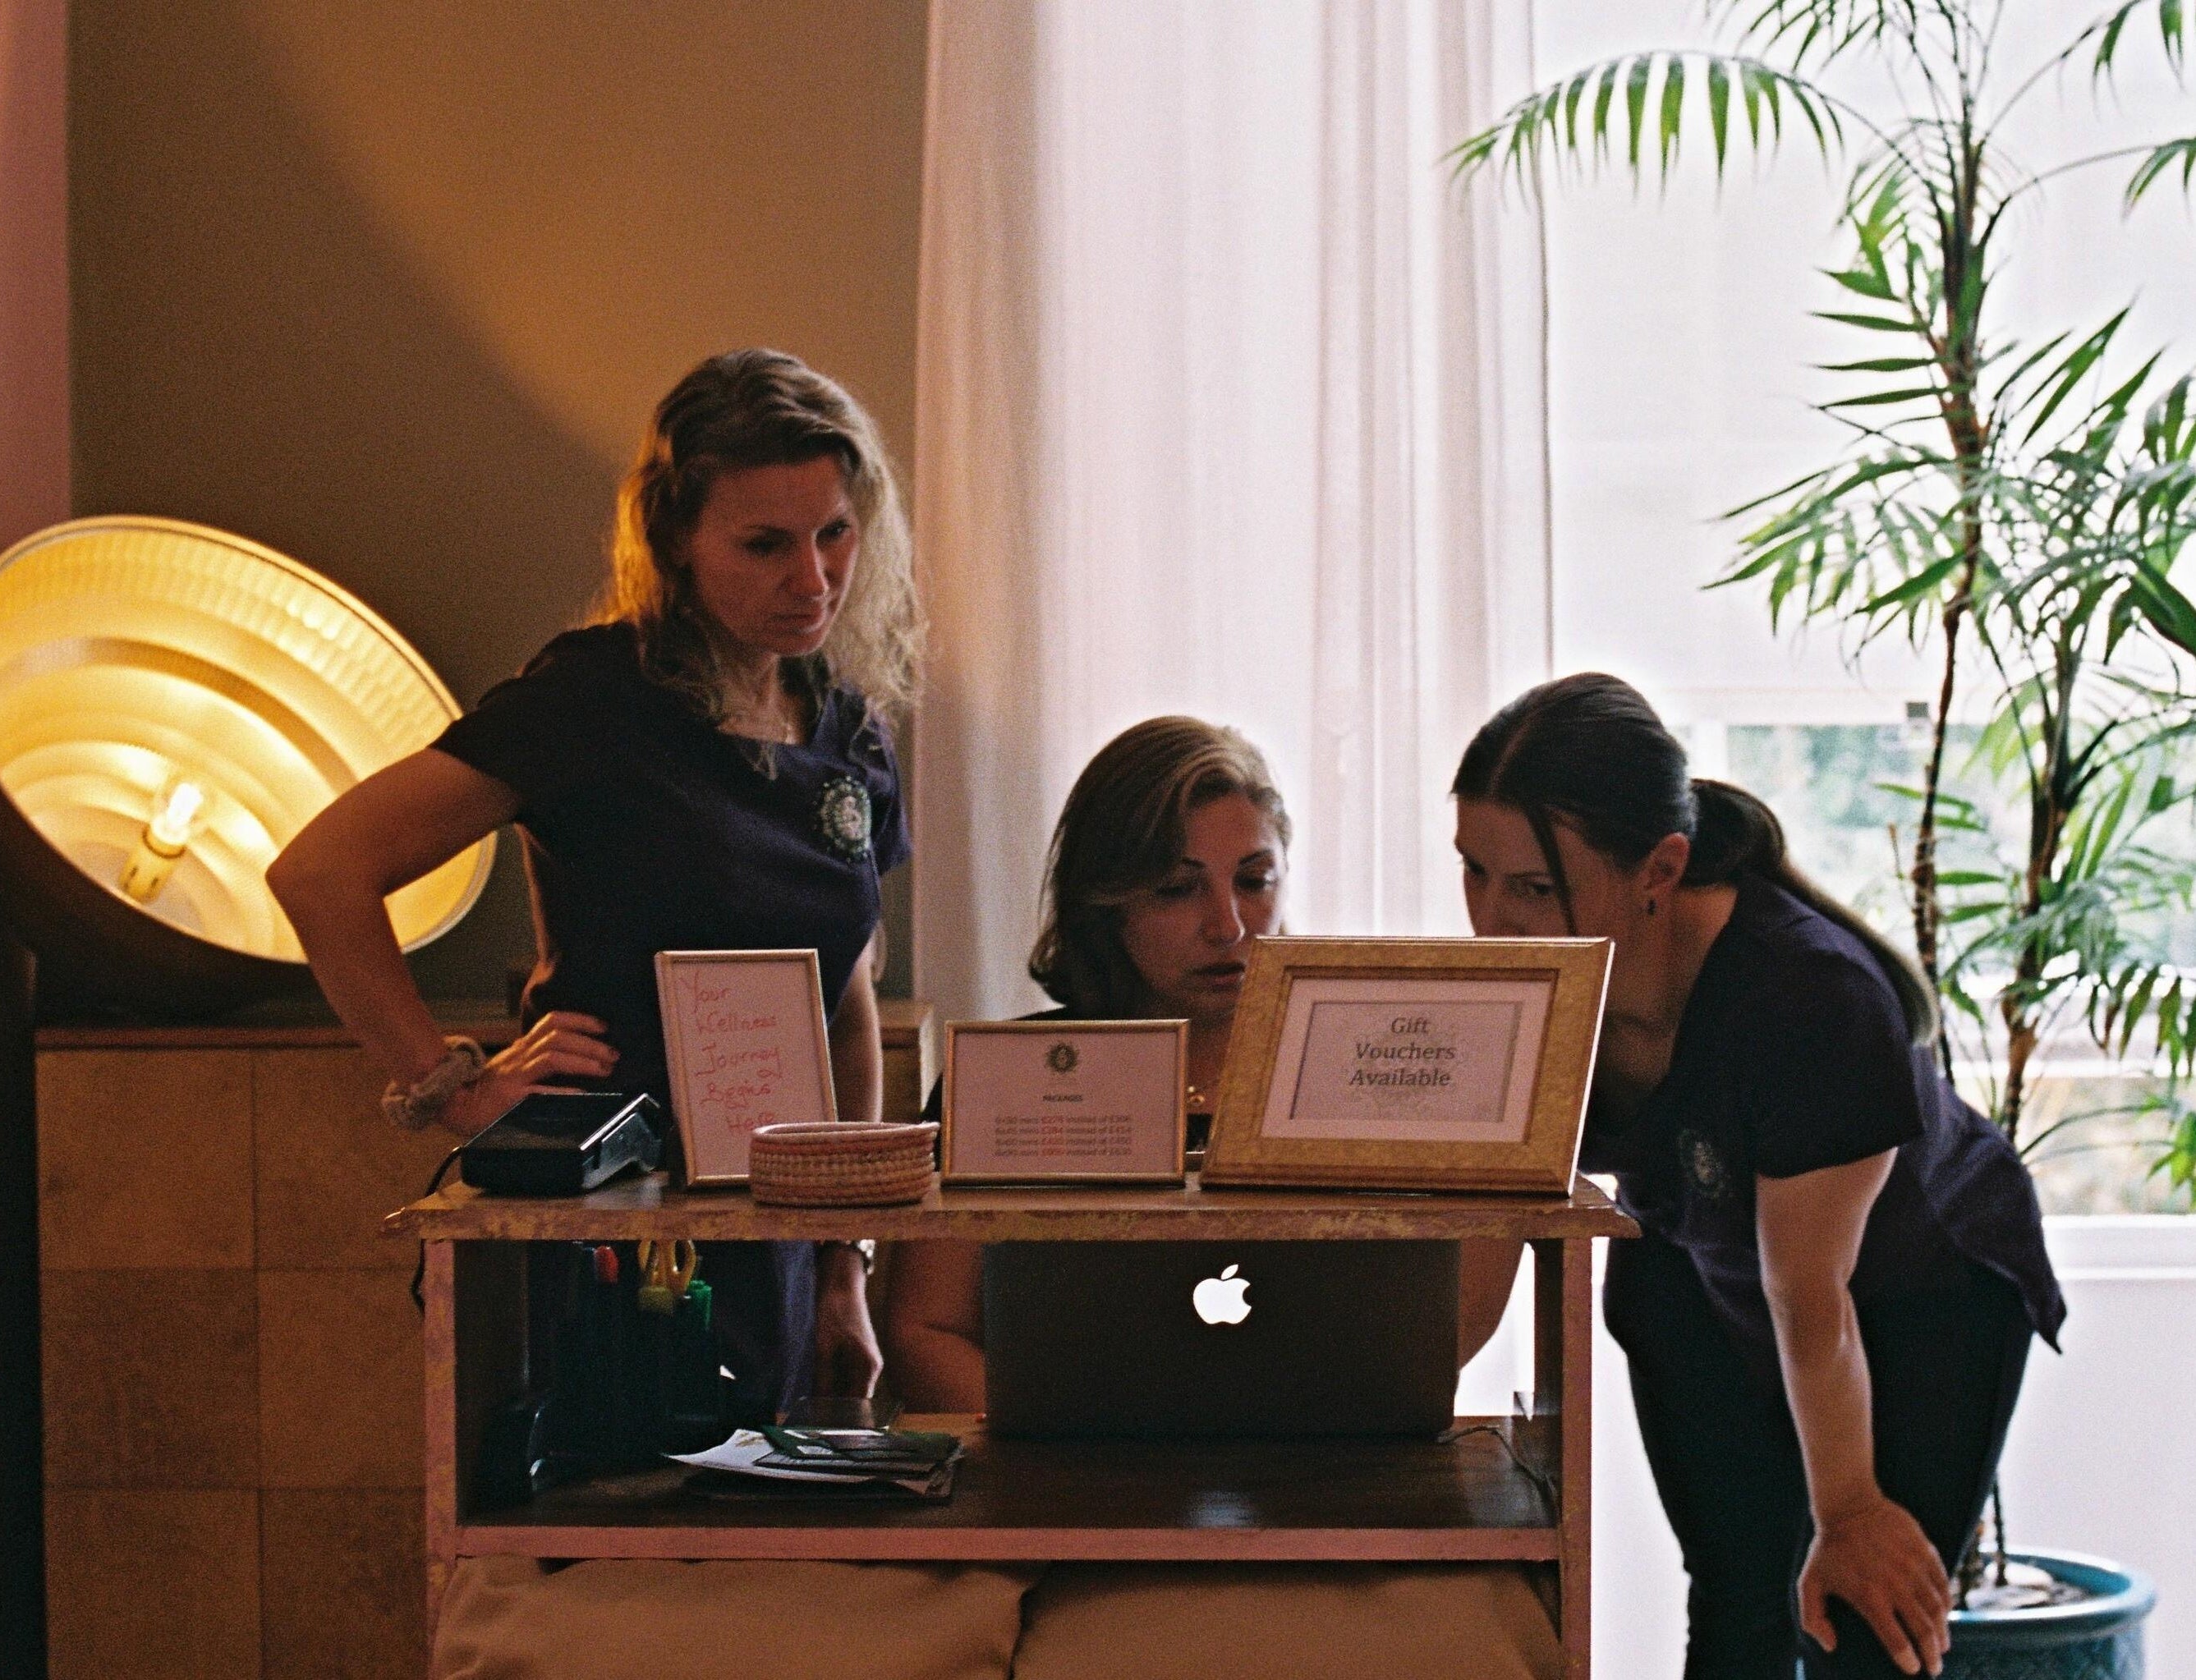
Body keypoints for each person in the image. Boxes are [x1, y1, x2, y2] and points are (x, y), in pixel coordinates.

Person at [269, 347, 919, 1418]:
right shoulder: (592, 698)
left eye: (833, 534)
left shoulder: (846, 726)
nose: (811, 580)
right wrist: (455, 1090)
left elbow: (844, 1015)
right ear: (676, 542)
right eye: (763, 544)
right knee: (603, 1563)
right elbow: (320, 872)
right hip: (600, 1222)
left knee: (778, 1562)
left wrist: (847, 1265)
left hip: (773, 1235)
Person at [1452, 672, 2065, 1680]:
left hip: (1912, 1298)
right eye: (1474, 873)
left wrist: (1853, 1510)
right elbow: (1485, 1240)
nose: (1494, 921)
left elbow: (1810, 1296)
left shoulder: (1808, 998)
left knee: (1862, 1631)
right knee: (1736, 1608)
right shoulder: (1530, 991)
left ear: (1660, 868)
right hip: (1702, 1271)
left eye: (1532, 887)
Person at [885, 714, 1518, 1415]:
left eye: (1253, 880)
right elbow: (924, 1332)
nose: (1227, 925)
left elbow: (1446, 1324)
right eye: (1175, 889)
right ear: (1105, 900)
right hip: (1064, 1492)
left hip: (1329, 1472)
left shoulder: (1361, 1071)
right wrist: (1084, 1467)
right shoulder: (1008, 1078)